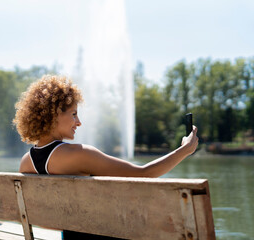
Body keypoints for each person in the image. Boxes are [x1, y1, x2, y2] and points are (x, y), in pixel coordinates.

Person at [13, 75, 198, 239]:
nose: (79, 122)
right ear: (53, 115)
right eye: (74, 114)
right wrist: (184, 150)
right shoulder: (79, 154)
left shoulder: (26, 162)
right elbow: (144, 174)